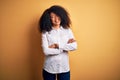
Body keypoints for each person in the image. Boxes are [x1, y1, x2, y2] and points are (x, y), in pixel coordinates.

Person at [39, 5, 77, 80]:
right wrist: (64, 47)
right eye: (53, 17)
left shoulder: (67, 30)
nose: (56, 19)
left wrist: (57, 45)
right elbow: (46, 51)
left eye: (58, 16)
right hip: (49, 67)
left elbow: (74, 46)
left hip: (64, 67)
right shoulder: (45, 32)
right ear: (49, 19)